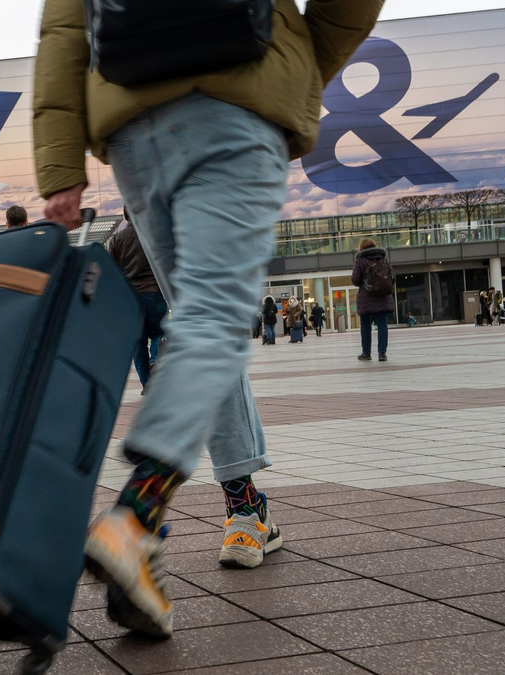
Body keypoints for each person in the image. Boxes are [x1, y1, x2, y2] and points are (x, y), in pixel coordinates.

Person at [34, 0, 381, 637]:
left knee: (199, 322)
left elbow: (63, 27)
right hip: (237, 104)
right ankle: (137, 519)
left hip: (134, 124)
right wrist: (296, 68)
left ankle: (240, 510)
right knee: (214, 319)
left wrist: (59, 167)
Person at [110, 211, 166, 393]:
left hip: (130, 297)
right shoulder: (153, 235)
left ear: (126, 216)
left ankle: (147, 384)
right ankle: (156, 360)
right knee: (159, 332)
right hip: (155, 292)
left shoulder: (117, 239)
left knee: (138, 342)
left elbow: (111, 270)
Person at [353, 239, 395, 362]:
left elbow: (355, 279)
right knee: (382, 324)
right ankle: (382, 353)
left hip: (366, 298)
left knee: (365, 325)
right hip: (383, 297)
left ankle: (366, 353)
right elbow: (393, 276)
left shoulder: (360, 260)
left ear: (361, 248)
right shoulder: (383, 259)